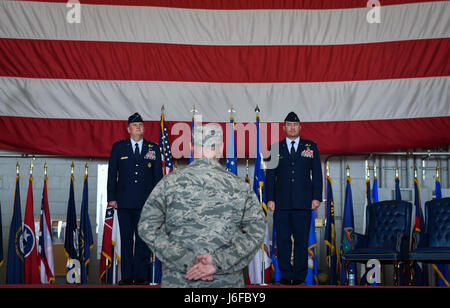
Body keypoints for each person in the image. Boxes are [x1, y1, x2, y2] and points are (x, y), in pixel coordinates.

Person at [138, 123, 265, 287]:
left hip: (179, 281)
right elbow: (257, 231)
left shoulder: (168, 184)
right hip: (226, 282)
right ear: (221, 148)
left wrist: (188, 261)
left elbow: (147, 226)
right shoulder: (240, 187)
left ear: (191, 147)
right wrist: (217, 263)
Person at [266, 111, 323, 285]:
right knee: (282, 240)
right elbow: (270, 176)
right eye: (289, 125)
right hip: (281, 203)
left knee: (301, 240)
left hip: (303, 202)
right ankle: (285, 276)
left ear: (300, 127)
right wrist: (270, 198)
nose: (292, 128)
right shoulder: (275, 148)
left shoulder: (310, 146)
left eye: (295, 125)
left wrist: (316, 197)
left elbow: (317, 174)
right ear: (284, 128)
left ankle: (298, 277)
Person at [107, 112, 163, 285]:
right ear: (128, 129)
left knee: (142, 240)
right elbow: (112, 174)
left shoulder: (153, 148)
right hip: (123, 202)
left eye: (141, 125)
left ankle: (140, 276)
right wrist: (111, 197)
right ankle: (126, 276)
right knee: (125, 239)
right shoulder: (118, 147)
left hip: (146, 203)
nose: (139, 127)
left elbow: (157, 177)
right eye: (135, 125)